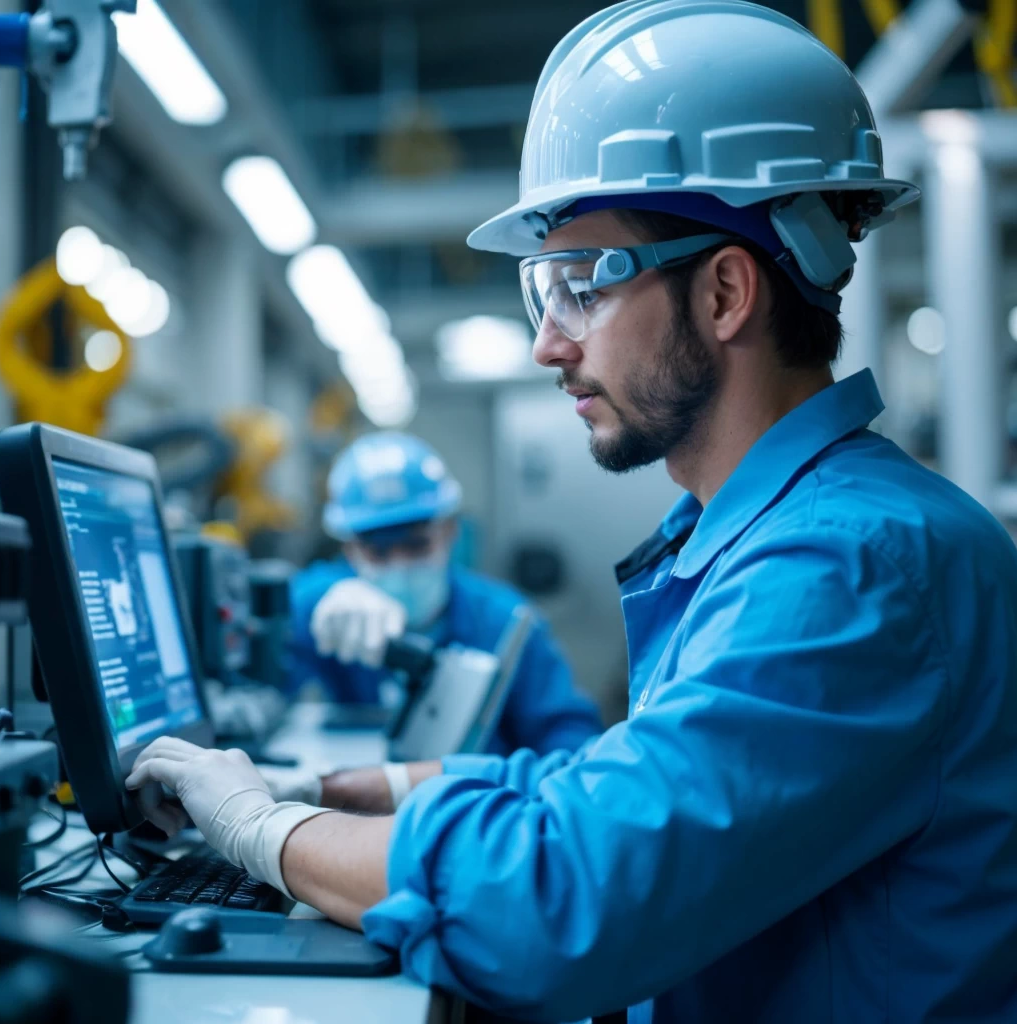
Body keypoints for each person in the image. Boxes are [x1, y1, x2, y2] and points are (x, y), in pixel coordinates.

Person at [126, 4, 1017, 1022]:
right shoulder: (774, 534)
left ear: (725, 294)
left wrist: (260, 826)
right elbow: (653, 789)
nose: (549, 344)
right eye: (538, 292)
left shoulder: (851, 567)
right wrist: (400, 786)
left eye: (581, 285)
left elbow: (562, 897)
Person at [289, 431, 602, 757]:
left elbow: (569, 738)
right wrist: (326, 596)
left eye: (416, 545)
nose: (399, 567)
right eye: (377, 552)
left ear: (450, 531)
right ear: (349, 549)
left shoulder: (505, 621)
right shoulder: (332, 605)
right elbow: (278, 621)